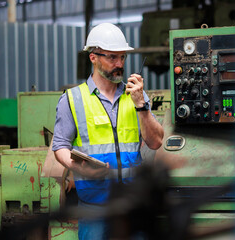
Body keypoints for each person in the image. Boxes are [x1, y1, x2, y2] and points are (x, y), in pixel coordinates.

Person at [52, 22, 164, 239]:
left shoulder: (136, 96)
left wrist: (141, 104)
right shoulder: (73, 99)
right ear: (93, 57)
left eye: (122, 57)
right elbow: (59, 146)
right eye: (112, 57)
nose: (119, 64)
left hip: (132, 204)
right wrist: (78, 168)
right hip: (94, 205)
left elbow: (156, 142)